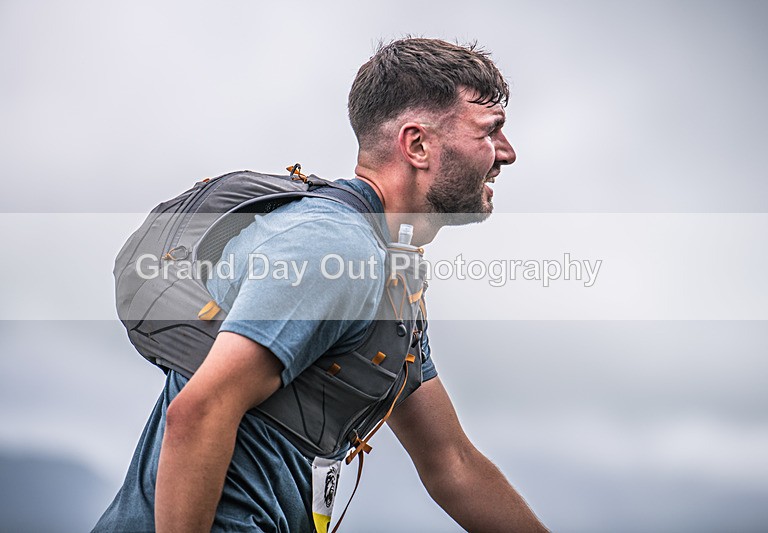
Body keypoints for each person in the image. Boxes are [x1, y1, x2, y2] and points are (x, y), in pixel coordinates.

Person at [94, 38, 548, 532]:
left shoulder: (388, 272)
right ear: (417, 145)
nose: (507, 153)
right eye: (490, 130)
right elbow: (199, 411)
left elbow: (453, 464)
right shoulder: (335, 248)